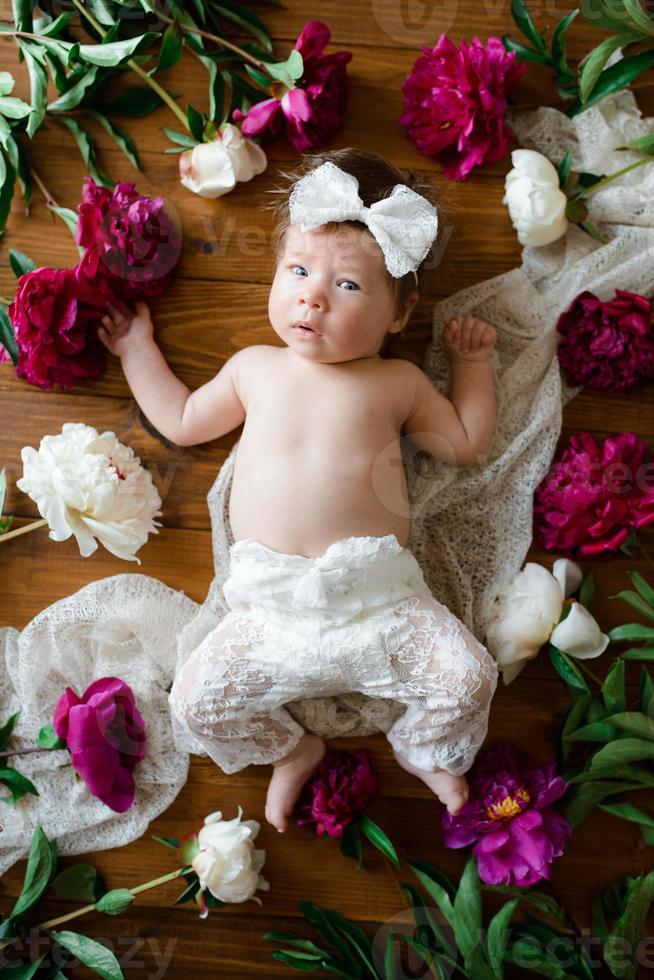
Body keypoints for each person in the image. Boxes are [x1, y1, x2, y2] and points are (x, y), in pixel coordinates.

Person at [100, 148, 499, 833]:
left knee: (469, 678)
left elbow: (463, 444)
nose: (314, 294)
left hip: (381, 604)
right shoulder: (254, 367)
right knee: (195, 704)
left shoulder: (395, 384)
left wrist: (473, 365)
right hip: (269, 609)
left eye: (348, 286)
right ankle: (291, 749)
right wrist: (139, 349)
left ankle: (422, 747)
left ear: (400, 315)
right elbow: (185, 421)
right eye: (300, 271)